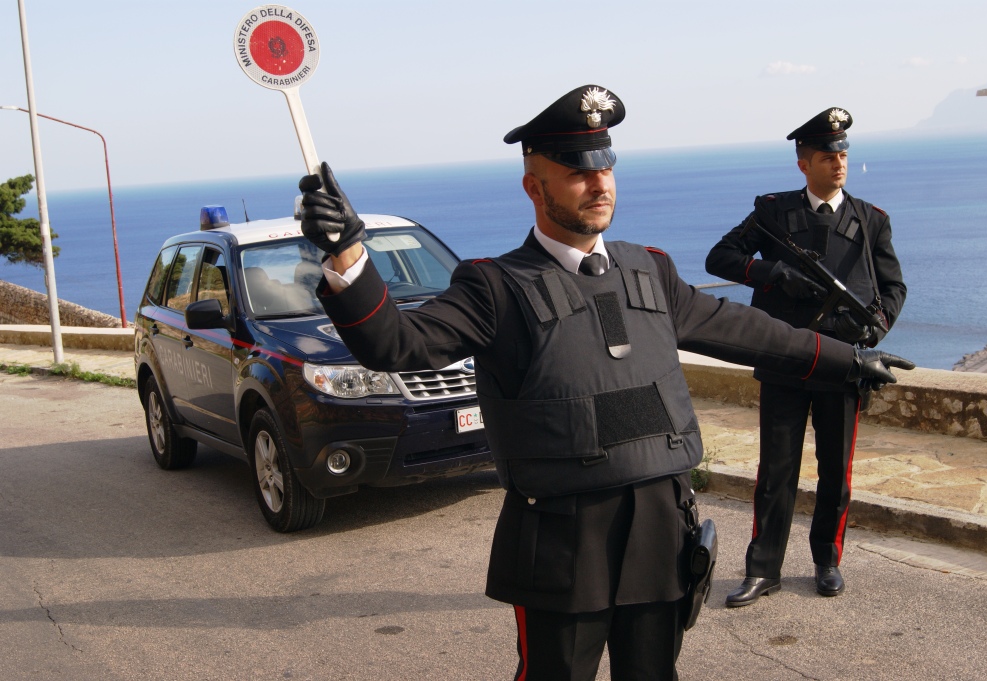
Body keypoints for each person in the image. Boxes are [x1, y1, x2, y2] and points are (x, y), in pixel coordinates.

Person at [299, 87, 913, 680]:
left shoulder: (649, 269)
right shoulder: (494, 288)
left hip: (659, 526)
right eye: (577, 173)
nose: (599, 185)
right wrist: (349, 258)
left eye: (606, 168)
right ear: (534, 188)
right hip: (563, 534)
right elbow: (395, 344)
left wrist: (848, 360)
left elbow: (748, 330)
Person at [705, 108, 908, 607]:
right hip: (784, 356)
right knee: (777, 470)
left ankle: (827, 561)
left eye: (842, 154)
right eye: (827, 155)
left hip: (843, 360)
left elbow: (893, 286)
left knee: (835, 471)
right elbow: (721, 258)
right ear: (804, 164)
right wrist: (772, 273)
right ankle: (762, 570)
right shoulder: (773, 213)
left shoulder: (870, 219)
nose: (838, 163)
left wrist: (877, 329)